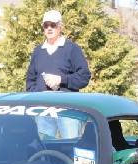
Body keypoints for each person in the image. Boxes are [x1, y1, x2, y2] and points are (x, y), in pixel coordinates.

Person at [26, 10, 91, 138]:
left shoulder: (72, 49)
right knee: (44, 148)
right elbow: (30, 80)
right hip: (43, 110)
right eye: (46, 25)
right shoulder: (38, 51)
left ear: (60, 27)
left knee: (71, 146)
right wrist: (38, 95)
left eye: (53, 25)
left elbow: (84, 77)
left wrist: (61, 79)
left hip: (67, 110)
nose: (49, 28)